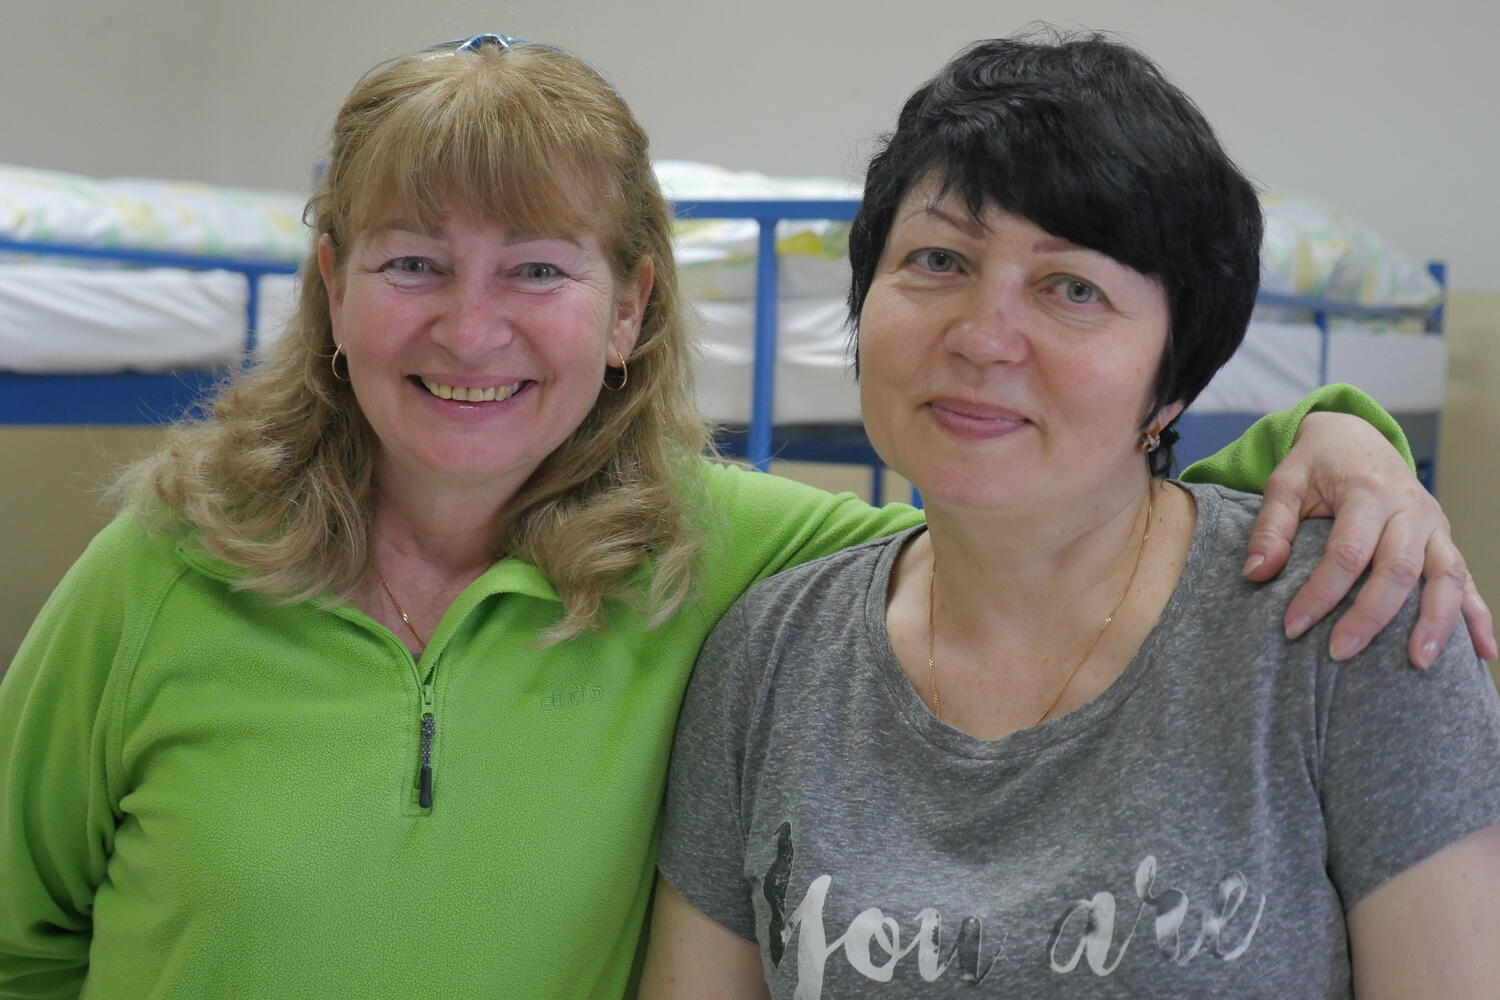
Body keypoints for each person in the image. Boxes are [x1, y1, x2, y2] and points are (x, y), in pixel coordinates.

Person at [0, 33, 1490, 1000]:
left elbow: (1054, 512)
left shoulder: (709, 558)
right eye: (409, 263)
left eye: (538, 268)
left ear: (631, 309)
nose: (470, 327)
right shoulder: (163, 572)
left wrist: (1337, 440)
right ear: (331, 288)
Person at [644, 34, 1500, 999]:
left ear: (1173, 379)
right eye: (937, 260)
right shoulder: (765, 660)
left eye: (1074, 288)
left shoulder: (1350, 624)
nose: (982, 338)